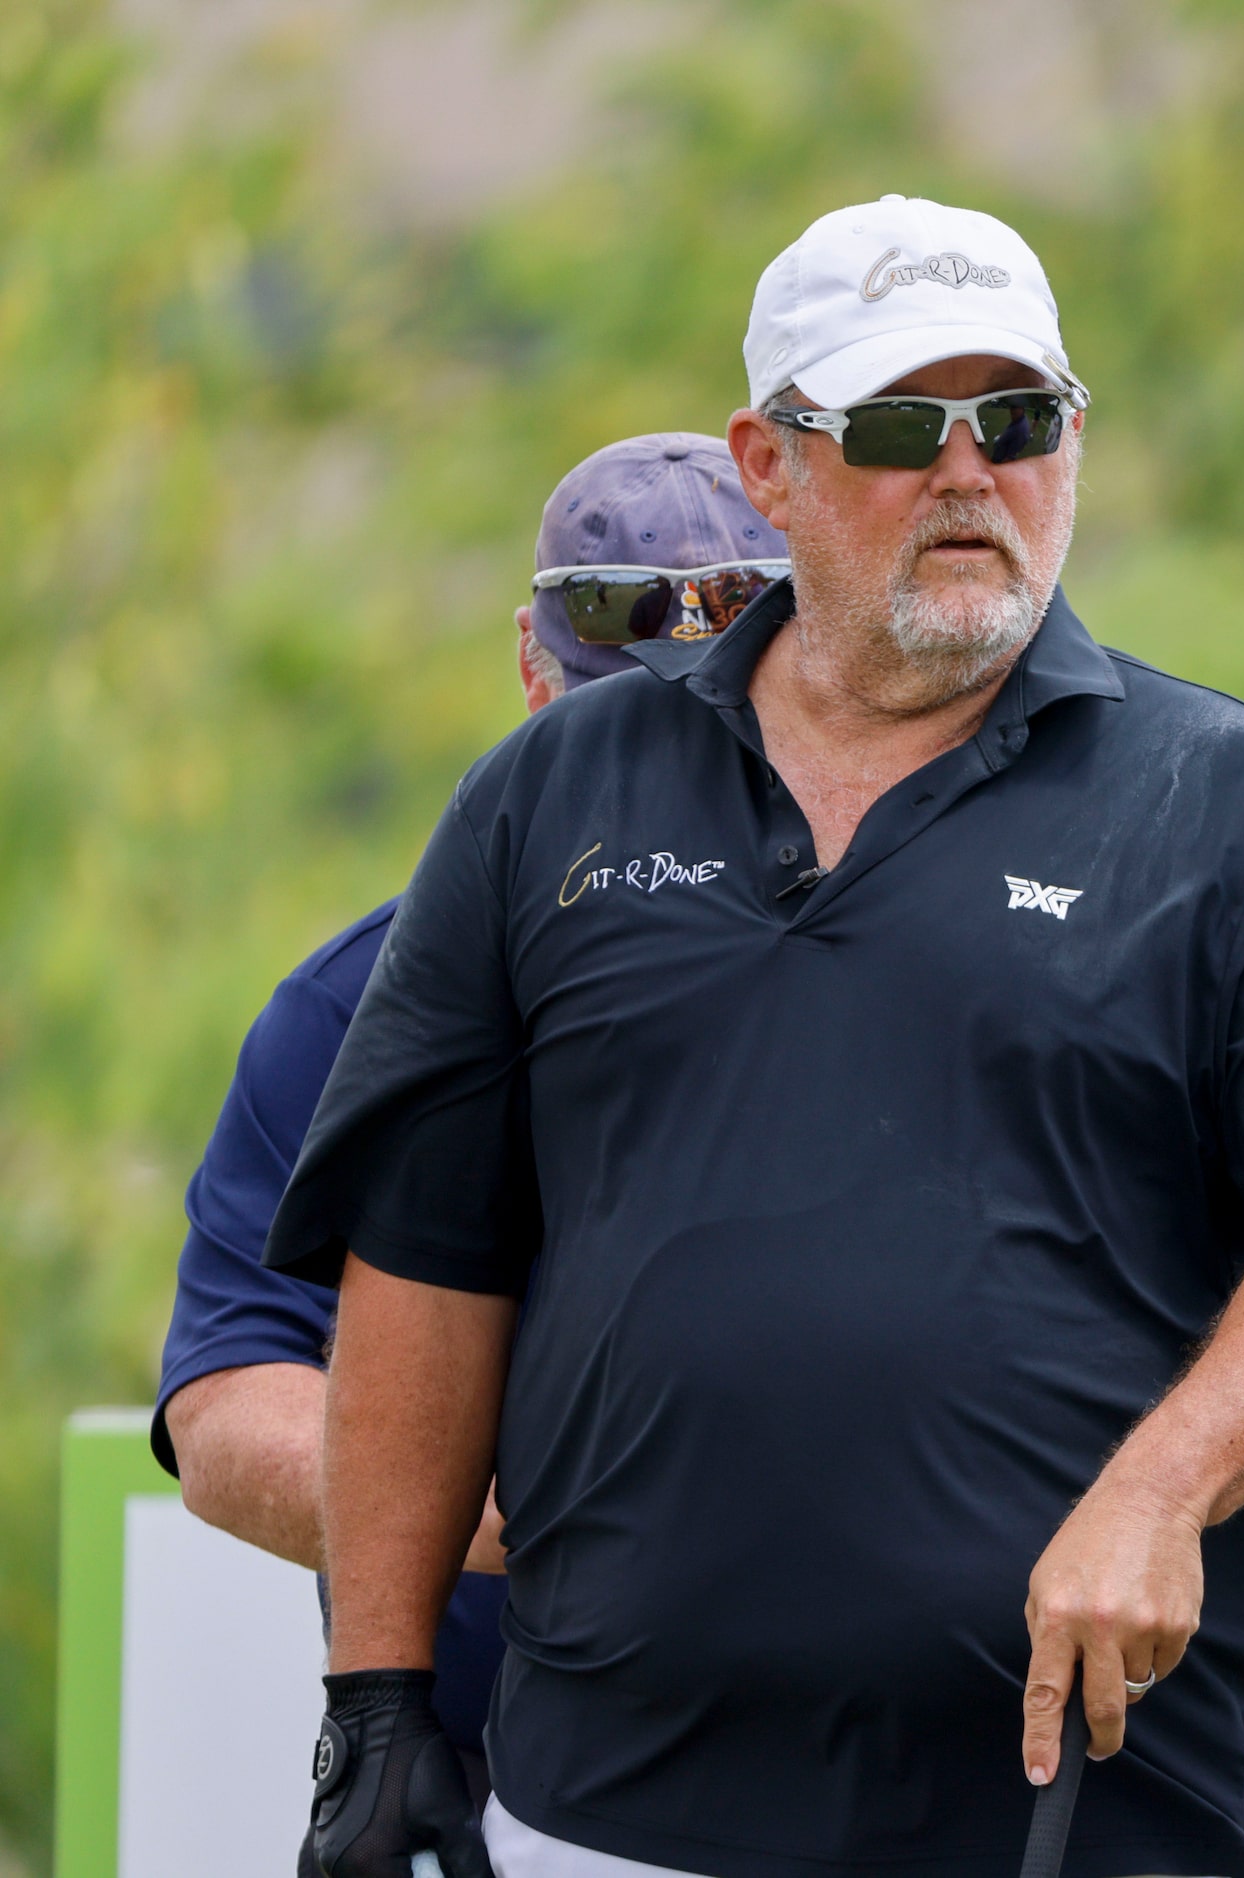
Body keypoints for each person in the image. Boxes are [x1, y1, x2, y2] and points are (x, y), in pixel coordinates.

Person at [267, 193, 1244, 1878]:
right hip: (609, 1809)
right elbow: (426, 1264)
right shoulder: (550, 792)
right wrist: (378, 1696)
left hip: (1075, 1814)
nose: (969, 472)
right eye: (902, 424)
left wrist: (1162, 1486)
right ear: (766, 466)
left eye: (1017, 420)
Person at [152, 433, 785, 1816]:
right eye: (617, 715)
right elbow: (224, 1403)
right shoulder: (354, 1007)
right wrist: (559, 1522)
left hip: (859, 1781)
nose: (655, 777)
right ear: (528, 664)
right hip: (479, 1775)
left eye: (706, 722)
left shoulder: (917, 962)